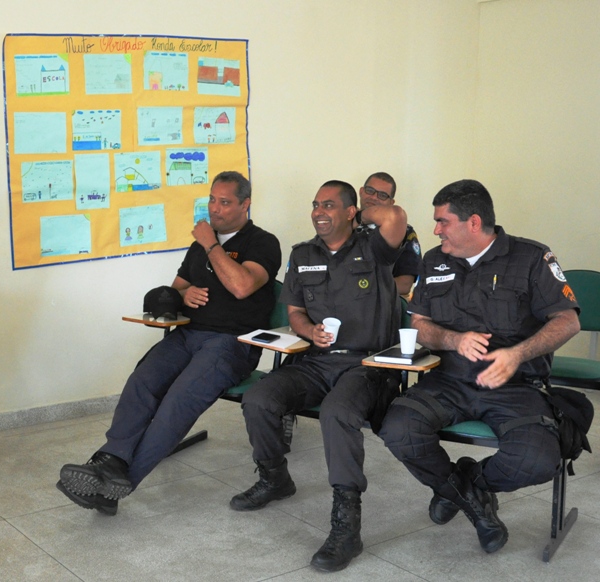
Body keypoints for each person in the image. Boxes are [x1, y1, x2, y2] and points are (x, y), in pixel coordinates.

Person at [57, 171, 282, 515]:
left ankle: (115, 486)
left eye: (225, 202)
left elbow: (241, 286)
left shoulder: (262, 242)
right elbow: (173, 290)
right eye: (212, 199)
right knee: (142, 382)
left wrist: (211, 244)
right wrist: (184, 293)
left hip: (231, 344)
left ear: (245, 204)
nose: (215, 209)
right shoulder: (199, 247)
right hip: (188, 334)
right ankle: (109, 460)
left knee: (178, 400)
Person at [379, 179, 580, 554]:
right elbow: (419, 324)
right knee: (398, 429)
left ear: (473, 222)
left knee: (536, 459)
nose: (436, 230)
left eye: (442, 221)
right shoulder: (434, 260)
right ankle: (472, 501)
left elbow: (568, 320)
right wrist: (454, 340)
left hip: (515, 385)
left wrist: (517, 353)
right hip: (449, 380)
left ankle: (470, 483)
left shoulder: (532, 258)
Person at [231, 180, 407, 572]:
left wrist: (359, 212)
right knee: (258, 399)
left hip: (367, 364)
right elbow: (294, 311)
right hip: (316, 360)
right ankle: (274, 477)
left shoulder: (374, 247)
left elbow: (393, 215)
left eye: (329, 205)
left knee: (336, 413)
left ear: (350, 211)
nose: (317, 212)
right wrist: (308, 331)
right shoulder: (302, 254)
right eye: (314, 205)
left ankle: (347, 525)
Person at [356, 172, 422, 296]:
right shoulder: (343, 224)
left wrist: (361, 291)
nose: (374, 197)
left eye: (382, 195)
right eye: (370, 190)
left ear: (391, 202)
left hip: (380, 302)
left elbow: (405, 285)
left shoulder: (405, 232)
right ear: (361, 191)